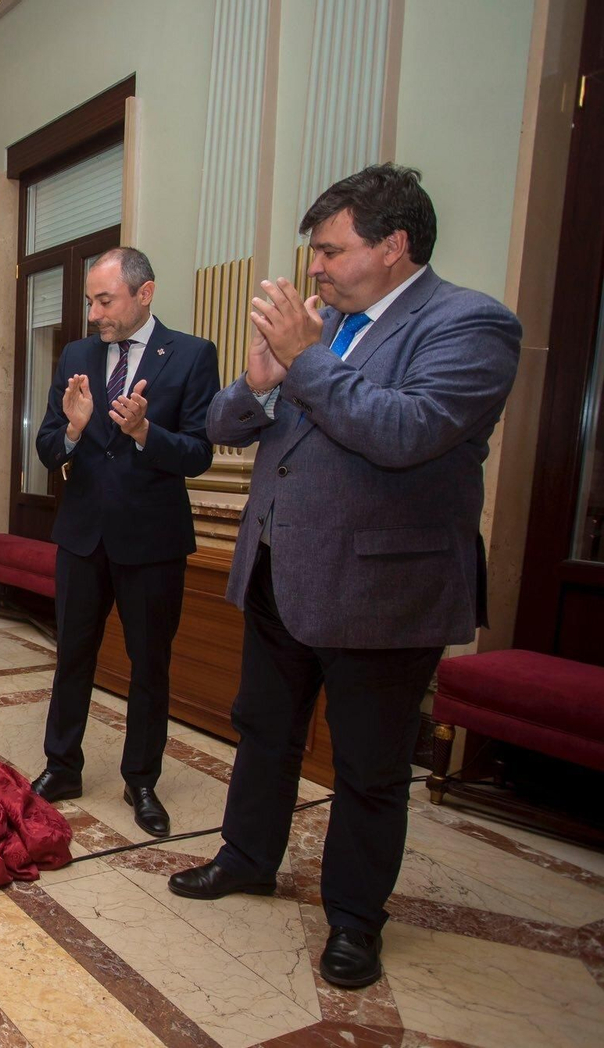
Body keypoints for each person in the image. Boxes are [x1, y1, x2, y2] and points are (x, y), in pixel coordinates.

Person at [169, 164, 521, 990]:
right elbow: (223, 426)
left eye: (331, 250)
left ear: (394, 246)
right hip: (276, 574)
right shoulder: (327, 326)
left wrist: (306, 357)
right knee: (263, 732)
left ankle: (356, 921)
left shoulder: (470, 324)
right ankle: (248, 857)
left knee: (367, 770)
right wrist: (260, 380)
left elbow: (406, 431)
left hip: (382, 594)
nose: (315, 269)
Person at [29, 247, 220, 838]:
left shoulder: (191, 356)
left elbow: (200, 453)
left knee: (148, 665)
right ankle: (62, 767)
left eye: (104, 300)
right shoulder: (78, 355)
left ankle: (142, 779)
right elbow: (47, 444)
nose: (94, 313)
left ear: (145, 293)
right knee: (72, 656)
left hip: (152, 540)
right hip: (83, 536)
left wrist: (144, 432)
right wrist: (78, 426)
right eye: (90, 300)